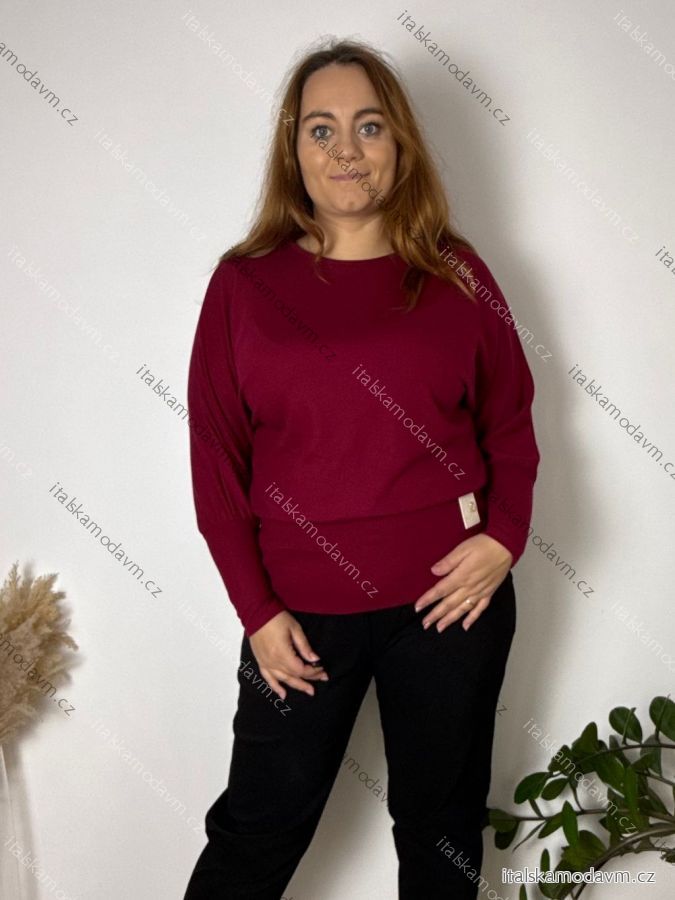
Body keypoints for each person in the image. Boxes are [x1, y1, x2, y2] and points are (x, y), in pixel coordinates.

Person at [183, 37, 540, 900]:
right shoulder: (243, 286)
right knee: (255, 833)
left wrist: (504, 537)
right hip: (296, 620)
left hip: (449, 605)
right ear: (293, 150)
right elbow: (215, 460)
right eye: (321, 129)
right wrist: (257, 612)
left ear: (399, 142)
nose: (346, 149)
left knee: (441, 836)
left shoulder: (458, 274)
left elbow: (511, 425)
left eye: (368, 126)